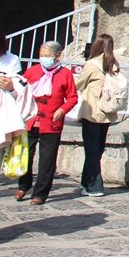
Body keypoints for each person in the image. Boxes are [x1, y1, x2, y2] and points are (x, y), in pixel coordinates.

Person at [18, 41, 77, 205]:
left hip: (51, 123)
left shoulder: (65, 74)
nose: (44, 58)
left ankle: (40, 193)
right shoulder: (33, 71)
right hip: (30, 120)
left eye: (47, 55)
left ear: (57, 56)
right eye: (42, 55)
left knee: (47, 160)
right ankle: (23, 184)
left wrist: (62, 110)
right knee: (25, 155)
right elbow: (20, 89)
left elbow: (72, 97)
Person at [75, 34, 121, 197]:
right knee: (97, 148)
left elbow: (79, 84)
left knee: (91, 149)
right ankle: (86, 182)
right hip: (106, 112)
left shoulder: (92, 64)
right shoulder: (114, 64)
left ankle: (95, 186)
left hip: (92, 111)